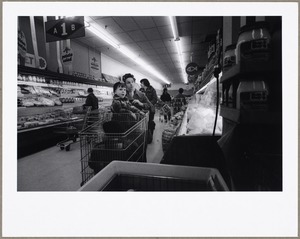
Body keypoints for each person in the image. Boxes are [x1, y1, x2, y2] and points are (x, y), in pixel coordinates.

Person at [123, 73, 154, 147]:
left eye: (132, 82)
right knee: (129, 146)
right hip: (126, 124)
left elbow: (150, 105)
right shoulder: (123, 94)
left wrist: (141, 104)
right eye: (128, 82)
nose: (131, 84)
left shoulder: (141, 94)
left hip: (139, 124)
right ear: (125, 84)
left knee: (140, 145)